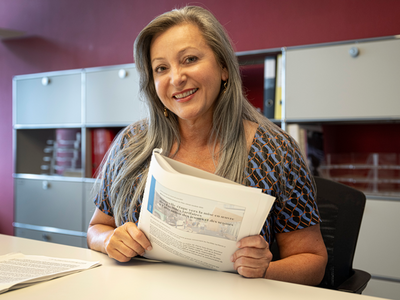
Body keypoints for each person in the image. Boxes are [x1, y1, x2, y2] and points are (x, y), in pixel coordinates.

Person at [87, 6, 327, 285]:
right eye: (161, 68)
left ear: (224, 68)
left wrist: (264, 270)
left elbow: (314, 261)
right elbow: (97, 227)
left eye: (189, 59)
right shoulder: (132, 142)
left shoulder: (275, 151)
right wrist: (108, 241)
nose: (176, 78)